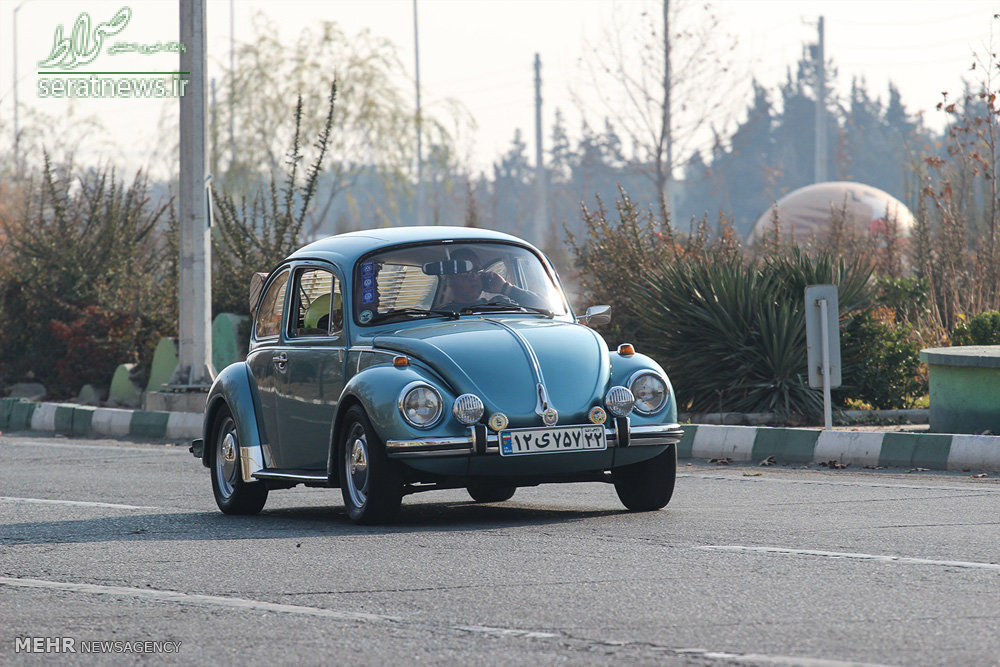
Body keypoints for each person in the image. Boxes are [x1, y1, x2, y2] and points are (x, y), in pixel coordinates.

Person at [441, 248, 544, 311]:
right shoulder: (441, 315)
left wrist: (506, 288)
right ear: (450, 278)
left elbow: (545, 307)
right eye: (466, 273)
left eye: (477, 271)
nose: (474, 277)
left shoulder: (501, 304)